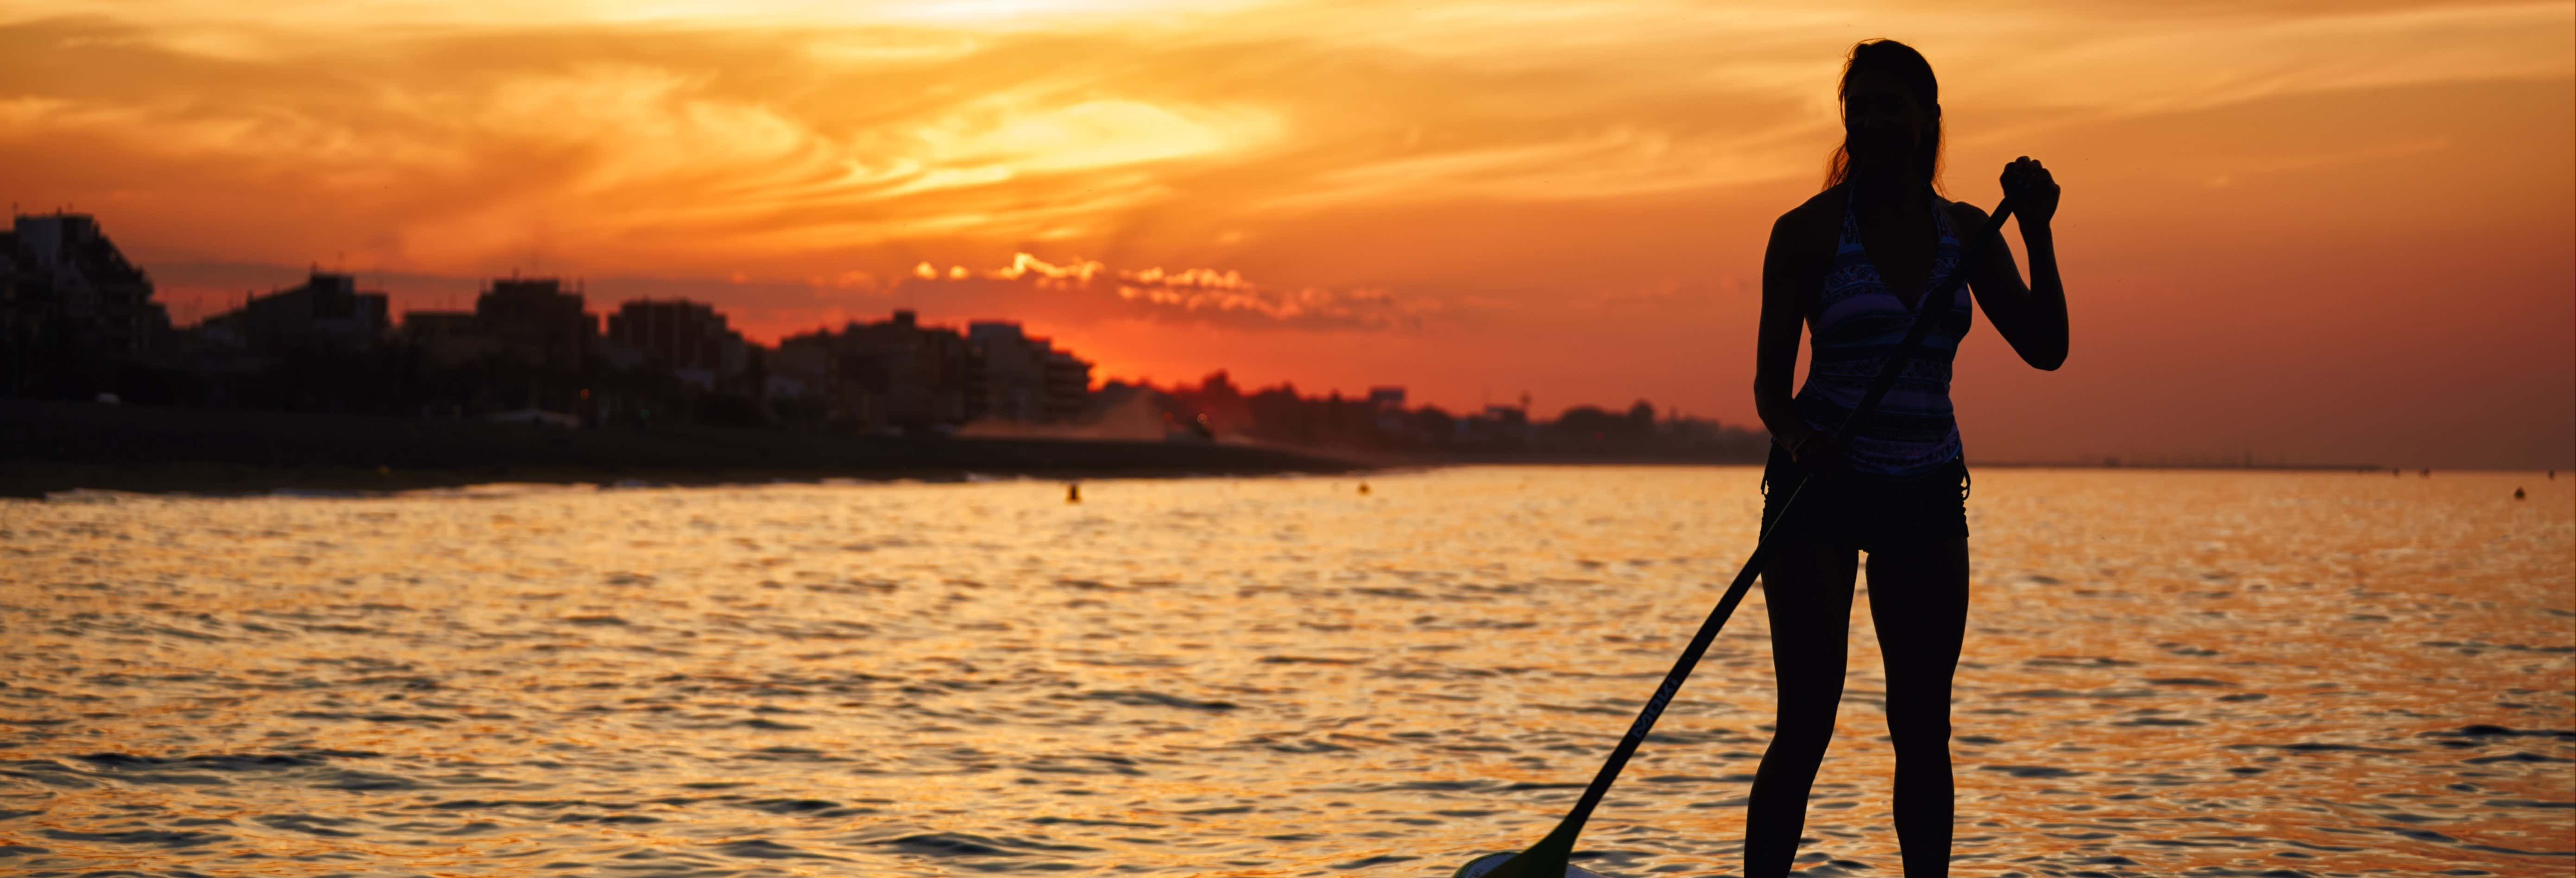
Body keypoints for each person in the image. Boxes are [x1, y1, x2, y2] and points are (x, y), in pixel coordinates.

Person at [1745, 38, 2066, 877]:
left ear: (1928, 119)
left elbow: (2046, 347)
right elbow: (1769, 394)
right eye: (1864, 107)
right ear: (1847, 120)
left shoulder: (1966, 234)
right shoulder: (1806, 234)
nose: (1878, 122)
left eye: (1896, 106)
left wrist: (2035, 233)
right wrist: (1798, 440)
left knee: (1922, 725)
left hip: (1924, 489)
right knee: (1807, 719)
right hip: (1818, 487)